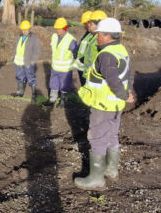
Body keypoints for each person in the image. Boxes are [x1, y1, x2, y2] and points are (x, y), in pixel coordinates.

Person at [74, 18, 135, 191]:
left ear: (107, 35)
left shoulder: (106, 55)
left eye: (99, 34)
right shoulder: (121, 50)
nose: (97, 37)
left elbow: (113, 80)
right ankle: (111, 170)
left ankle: (96, 179)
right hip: (116, 106)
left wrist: (124, 94)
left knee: (98, 138)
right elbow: (129, 75)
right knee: (112, 135)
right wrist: (128, 94)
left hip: (102, 105)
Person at [48, 17, 78, 107]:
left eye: (59, 29)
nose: (57, 30)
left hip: (65, 69)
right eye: (56, 28)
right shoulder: (54, 37)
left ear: (65, 28)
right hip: (55, 67)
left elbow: (76, 54)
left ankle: (63, 101)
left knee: (65, 86)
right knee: (54, 84)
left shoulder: (71, 40)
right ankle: (52, 100)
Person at [11, 20, 41, 102]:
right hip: (18, 62)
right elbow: (16, 48)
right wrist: (14, 57)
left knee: (31, 78)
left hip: (28, 62)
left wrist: (32, 61)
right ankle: (20, 92)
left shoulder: (33, 38)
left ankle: (34, 94)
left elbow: (37, 51)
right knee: (20, 77)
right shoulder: (19, 37)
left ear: (29, 29)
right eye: (23, 29)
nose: (24, 31)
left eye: (26, 29)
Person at [75, 10, 107, 85]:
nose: (89, 25)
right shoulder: (91, 36)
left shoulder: (100, 39)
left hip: (94, 76)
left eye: (90, 23)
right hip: (88, 72)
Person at [73, 11, 94, 86]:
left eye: (84, 24)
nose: (84, 26)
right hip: (82, 69)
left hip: (88, 71)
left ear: (89, 23)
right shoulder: (88, 34)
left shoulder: (95, 36)